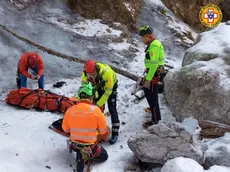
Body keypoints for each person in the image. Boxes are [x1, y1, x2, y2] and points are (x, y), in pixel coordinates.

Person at [62, 83, 108, 172]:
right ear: (91, 97)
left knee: (78, 148)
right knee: (104, 156)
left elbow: (65, 129)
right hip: (90, 146)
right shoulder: (96, 110)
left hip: (75, 145)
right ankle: (86, 157)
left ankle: (81, 155)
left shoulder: (70, 110)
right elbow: (103, 132)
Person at [81, 60, 120, 144]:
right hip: (98, 85)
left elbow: (108, 92)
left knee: (112, 108)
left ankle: (115, 133)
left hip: (110, 87)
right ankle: (95, 128)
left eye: (93, 74)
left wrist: (98, 104)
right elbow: (84, 88)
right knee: (94, 107)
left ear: (96, 70)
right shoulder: (85, 74)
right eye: (89, 75)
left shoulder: (107, 73)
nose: (91, 76)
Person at [139, 25, 165, 127]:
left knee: (152, 97)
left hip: (154, 74)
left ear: (147, 36)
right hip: (153, 73)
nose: (142, 40)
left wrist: (148, 80)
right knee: (147, 92)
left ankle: (155, 120)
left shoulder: (153, 46)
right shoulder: (154, 43)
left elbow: (154, 64)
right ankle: (153, 110)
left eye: (142, 37)